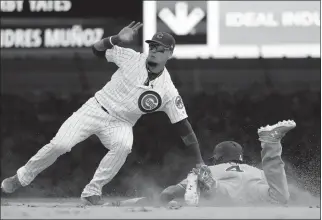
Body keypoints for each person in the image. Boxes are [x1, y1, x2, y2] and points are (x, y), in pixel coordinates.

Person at [1, 21, 205, 205]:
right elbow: (96, 50)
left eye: (160, 49)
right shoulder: (132, 58)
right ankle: (20, 178)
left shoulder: (168, 90)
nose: (154, 51)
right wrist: (115, 39)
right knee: (60, 145)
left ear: (170, 53)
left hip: (122, 122)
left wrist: (199, 161)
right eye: (152, 46)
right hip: (95, 108)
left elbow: (183, 126)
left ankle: (92, 191)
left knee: (124, 145)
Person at [159, 120, 295, 206]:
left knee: (209, 186)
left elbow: (169, 193)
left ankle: (209, 185)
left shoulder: (214, 168)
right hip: (256, 191)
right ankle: (271, 145)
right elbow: (289, 190)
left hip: (224, 191)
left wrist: (164, 197)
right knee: (280, 196)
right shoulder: (255, 170)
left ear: (218, 158)